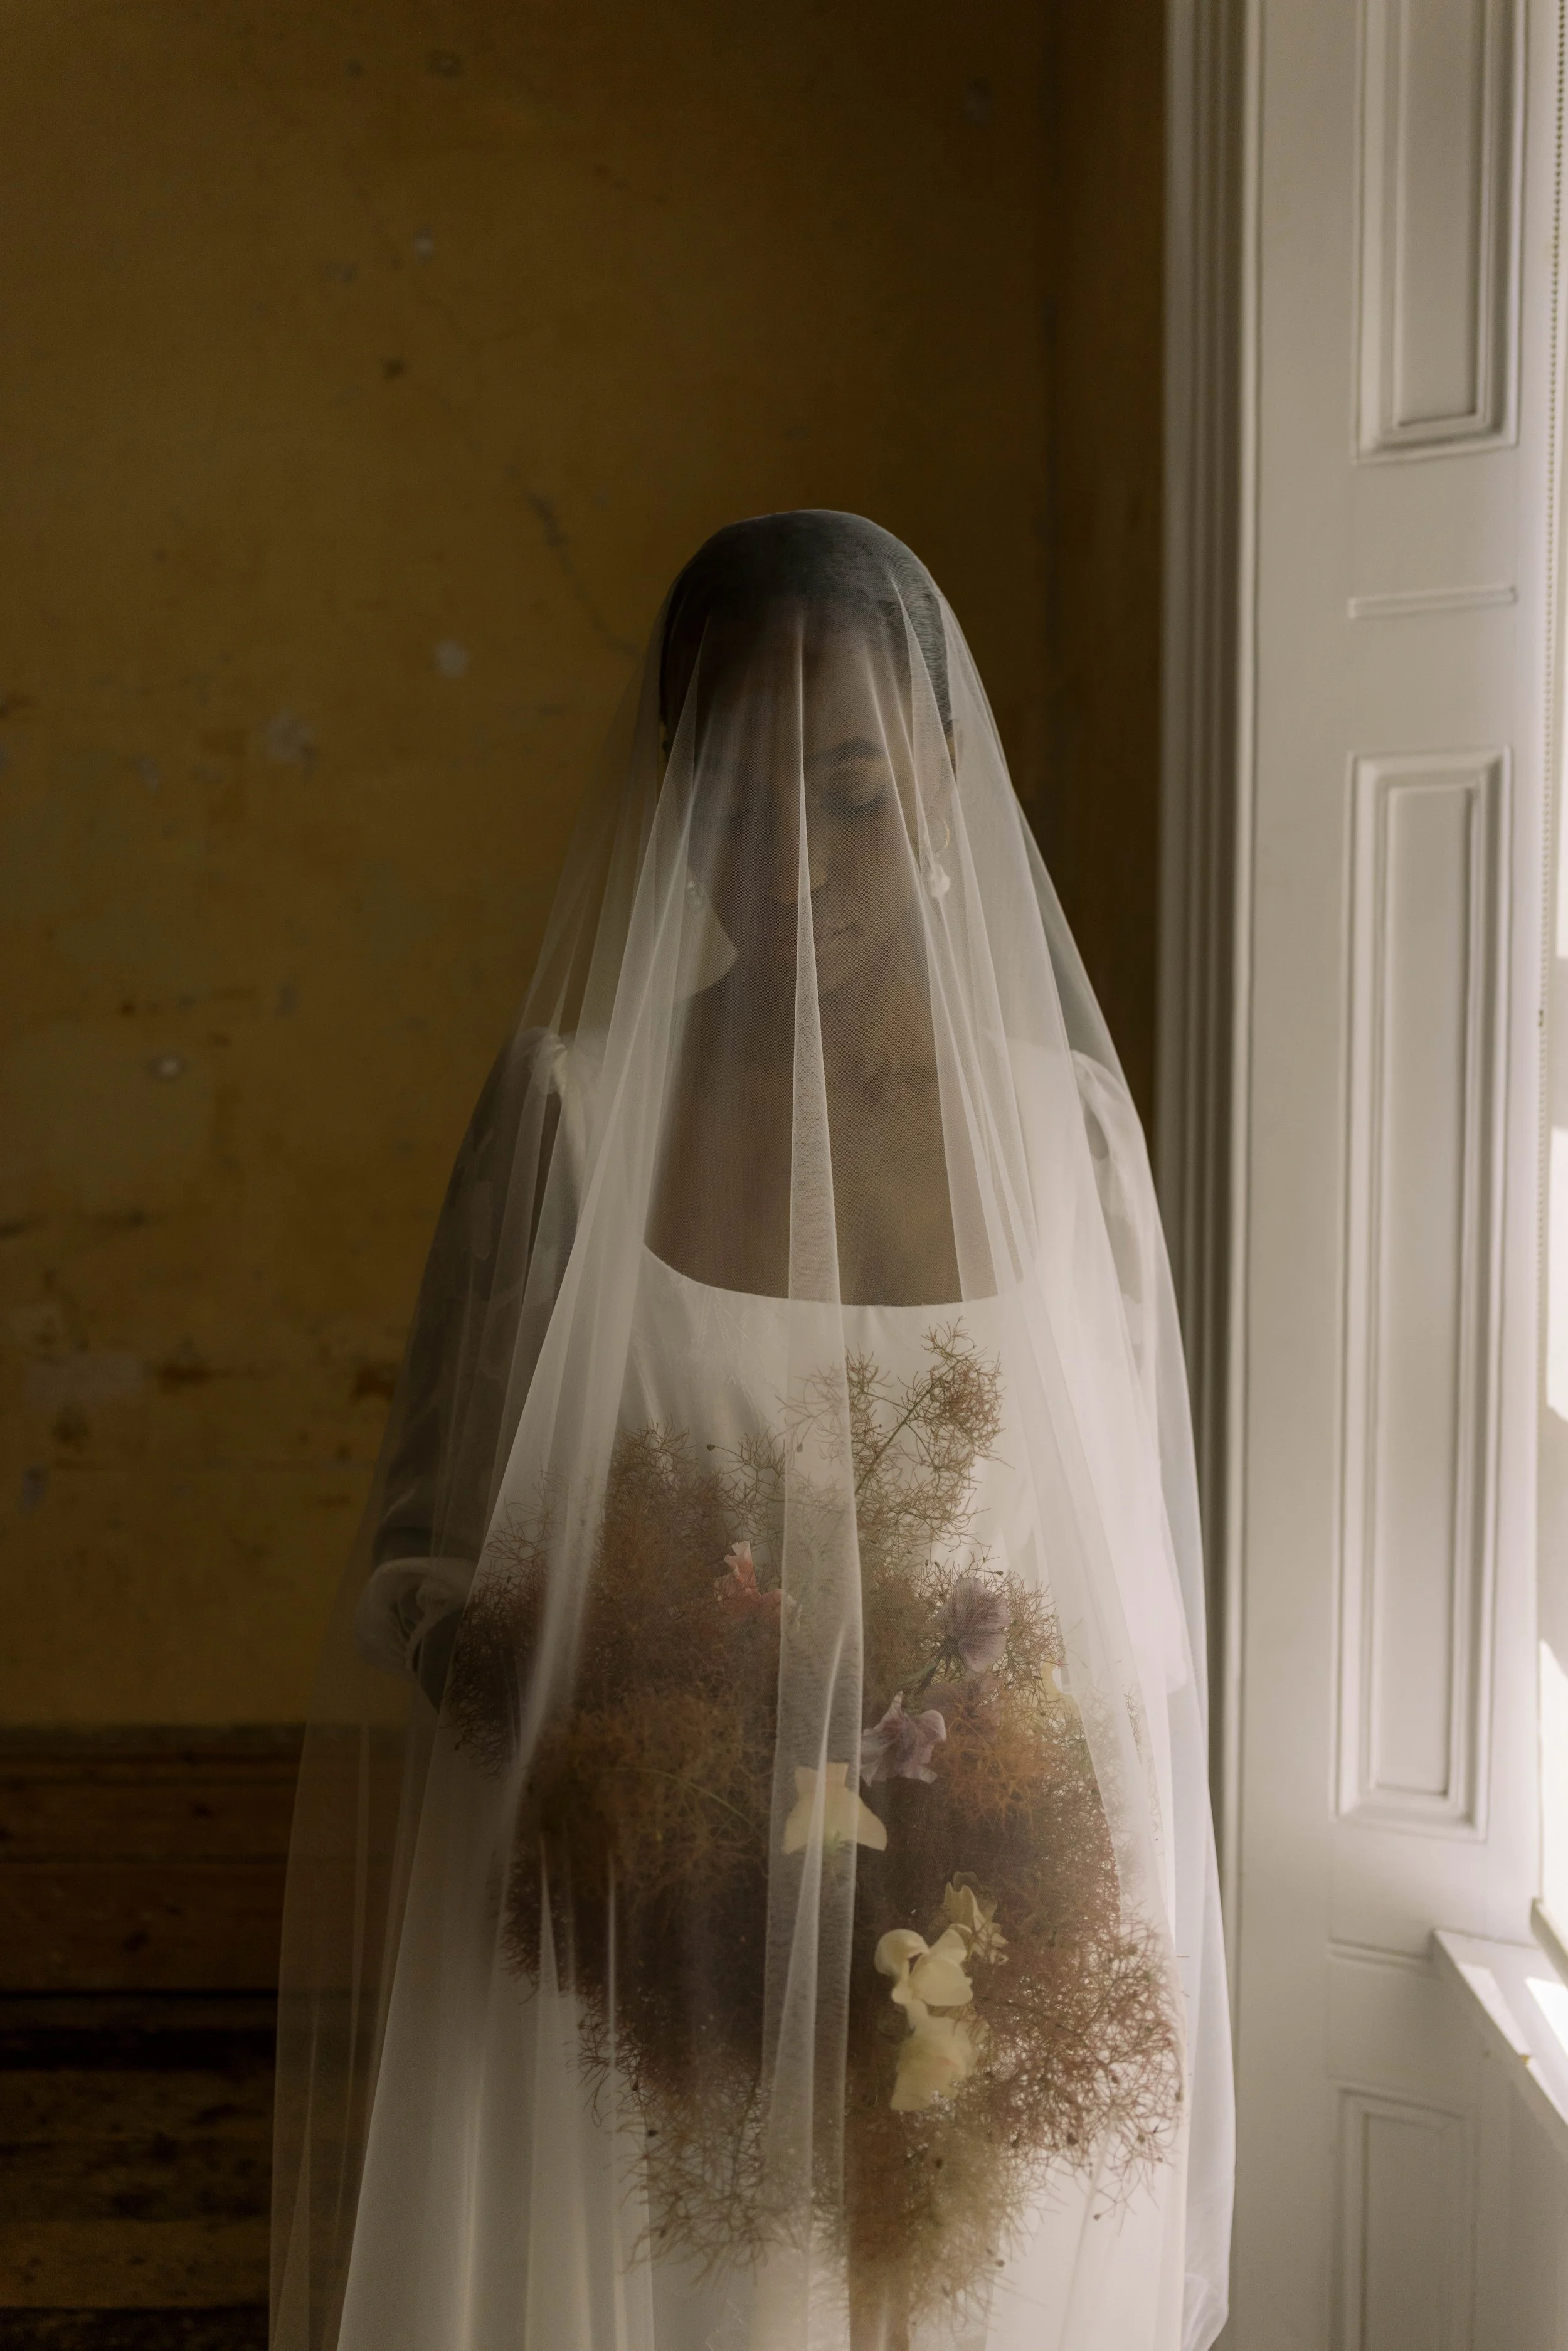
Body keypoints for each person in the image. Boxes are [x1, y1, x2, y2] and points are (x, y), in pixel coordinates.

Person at [270, 511, 1233, 2351]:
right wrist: (669, 1755)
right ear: (663, 801)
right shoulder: (567, 1123)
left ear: (950, 784)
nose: (787, 854)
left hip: (993, 1993)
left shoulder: (1076, 1142)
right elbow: (419, 1559)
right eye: (726, 794)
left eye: (854, 789)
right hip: (635, 1994)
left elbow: (1135, 1621)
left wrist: (977, 1821)